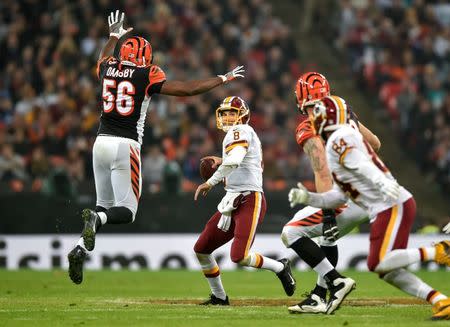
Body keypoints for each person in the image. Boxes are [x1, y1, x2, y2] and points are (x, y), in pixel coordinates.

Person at [68, 11, 245, 285]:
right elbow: (186, 90)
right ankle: (95, 221)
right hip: (125, 146)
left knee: (103, 208)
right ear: (145, 58)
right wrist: (222, 78)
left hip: (99, 143)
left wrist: (113, 36)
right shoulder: (145, 74)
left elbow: (102, 58)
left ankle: (80, 246)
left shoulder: (108, 67)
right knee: (126, 212)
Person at [288, 95, 450, 320]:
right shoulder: (337, 144)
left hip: (390, 203)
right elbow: (337, 195)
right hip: (379, 206)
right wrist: (309, 198)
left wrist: (381, 181)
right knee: (387, 271)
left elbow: (361, 164)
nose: (314, 119)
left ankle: (440, 251)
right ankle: (440, 300)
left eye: (319, 114)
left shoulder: (340, 138)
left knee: (379, 262)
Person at [282, 72, 379, 314]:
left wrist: (327, 215)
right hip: (371, 194)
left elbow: (323, 172)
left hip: (347, 195)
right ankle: (318, 297)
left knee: (291, 232)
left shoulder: (309, 126)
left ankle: (336, 281)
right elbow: (375, 143)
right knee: (328, 239)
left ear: (300, 100)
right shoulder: (345, 113)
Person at [193, 96, 296, 305]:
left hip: (250, 199)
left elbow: (236, 160)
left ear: (243, 115)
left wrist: (210, 181)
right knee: (202, 249)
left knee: (239, 256)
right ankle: (219, 297)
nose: (228, 117)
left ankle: (280, 267)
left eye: (232, 112)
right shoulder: (238, 134)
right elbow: (241, 160)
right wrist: (223, 160)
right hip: (232, 199)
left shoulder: (242, 131)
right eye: (224, 113)